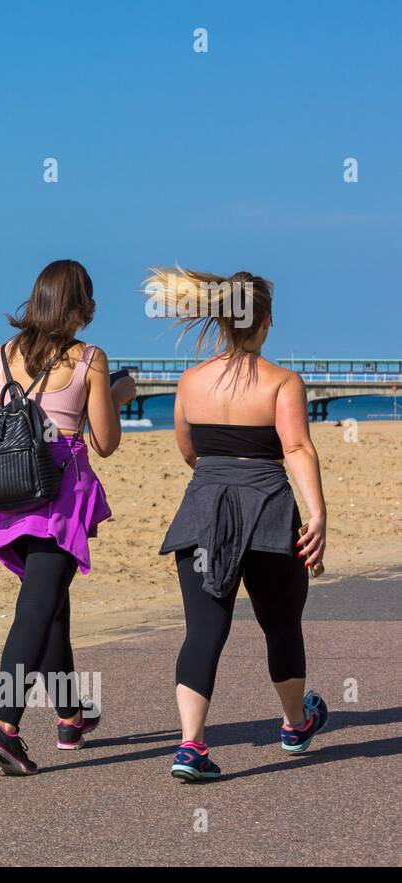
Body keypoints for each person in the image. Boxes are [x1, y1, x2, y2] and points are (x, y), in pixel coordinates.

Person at [0, 259, 136, 775]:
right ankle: (4, 725)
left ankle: (70, 715)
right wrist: (116, 397)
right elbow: (104, 444)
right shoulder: (91, 360)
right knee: (36, 609)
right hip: (59, 494)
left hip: (10, 491)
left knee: (50, 605)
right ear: (82, 307)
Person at [145, 267, 328, 782]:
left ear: (223, 322)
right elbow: (295, 447)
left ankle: (190, 747)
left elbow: (189, 449)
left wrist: (217, 476)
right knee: (281, 623)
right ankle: (295, 725)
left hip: (203, 510)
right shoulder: (282, 381)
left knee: (204, 629)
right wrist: (316, 512)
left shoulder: (190, 381)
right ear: (266, 321)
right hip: (269, 511)